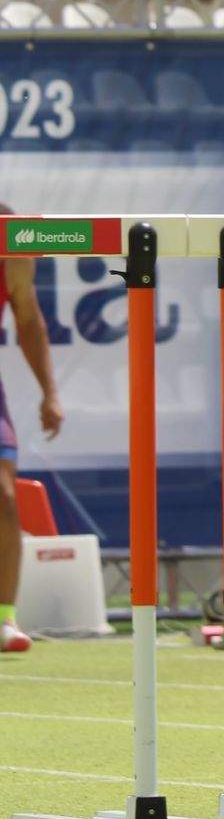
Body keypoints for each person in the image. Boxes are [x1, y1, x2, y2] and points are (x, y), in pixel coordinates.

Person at [0, 203, 65, 654]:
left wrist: (50, 392)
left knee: (4, 497)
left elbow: (27, 317)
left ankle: (4, 618)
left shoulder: (10, 231)